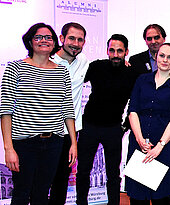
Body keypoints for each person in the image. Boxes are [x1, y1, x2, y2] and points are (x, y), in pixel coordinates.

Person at [0, 22, 76, 205]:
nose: (44, 40)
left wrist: (73, 143)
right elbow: (6, 111)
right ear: (30, 41)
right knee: (21, 194)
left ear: (54, 42)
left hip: (54, 143)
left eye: (49, 37)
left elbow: (67, 110)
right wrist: (8, 148)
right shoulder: (14, 68)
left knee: (42, 194)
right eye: (39, 37)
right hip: (24, 143)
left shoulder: (62, 72)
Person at [75, 34, 138, 205]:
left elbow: (137, 99)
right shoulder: (96, 66)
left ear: (126, 52)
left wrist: (125, 125)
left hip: (113, 128)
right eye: (112, 50)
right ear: (107, 51)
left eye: (119, 51)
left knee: (112, 173)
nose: (115, 54)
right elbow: (75, 80)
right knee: (83, 170)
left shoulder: (132, 73)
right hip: (89, 126)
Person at [126, 43, 170, 205]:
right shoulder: (142, 80)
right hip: (140, 144)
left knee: (161, 198)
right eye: (162, 55)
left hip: (165, 147)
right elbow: (133, 110)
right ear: (155, 56)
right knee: (138, 198)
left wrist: (160, 146)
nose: (165, 60)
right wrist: (139, 139)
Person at [48, 22, 89, 205]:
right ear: (62, 39)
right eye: (71, 38)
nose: (76, 43)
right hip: (45, 129)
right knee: (39, 179)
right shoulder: (47, 61)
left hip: (69, 133)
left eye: (80, 40)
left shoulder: (84, 63)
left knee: (61, 180)